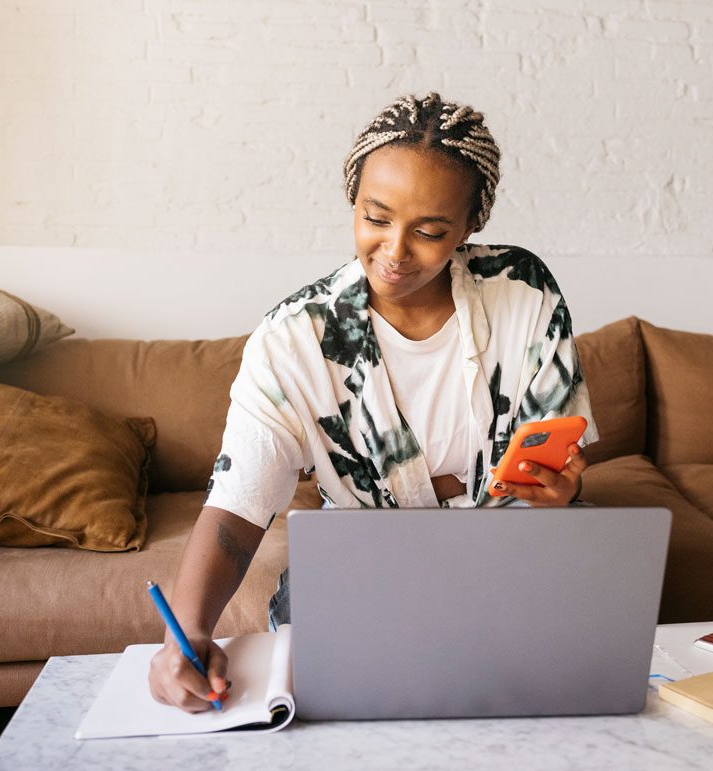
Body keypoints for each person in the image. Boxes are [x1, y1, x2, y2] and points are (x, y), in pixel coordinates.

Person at [148, 92, 598, 712]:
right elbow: (237, 506)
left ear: (471, 225)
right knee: (344, 696)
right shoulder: (294, 340)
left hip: (509, 556)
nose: (395, 250)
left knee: (559, 689)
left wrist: (562, 492)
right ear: (353, 199)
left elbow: (558, 462)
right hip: (363, 566)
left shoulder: (523, 291)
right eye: (376, 217)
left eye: (430, 231)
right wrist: (189, 632)